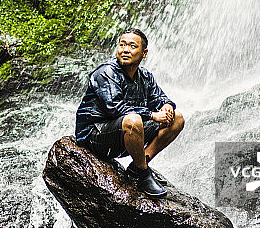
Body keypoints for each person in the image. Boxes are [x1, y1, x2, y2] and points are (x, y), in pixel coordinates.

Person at [75, 28, 184, 198]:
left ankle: (139, 165)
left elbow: (160, 98)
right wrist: (153, 115)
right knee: (133, 120)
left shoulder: (145, 76)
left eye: (132, 46)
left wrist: (167, 106)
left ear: (144, 53)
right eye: (122, 45)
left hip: (124, 134)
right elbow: (115, 107)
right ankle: (143, 174)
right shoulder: (106, 72)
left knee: (177, 118)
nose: (125, 50)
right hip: (94, 135)